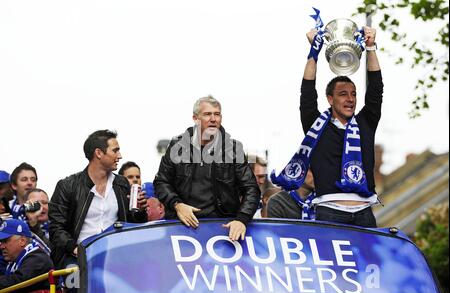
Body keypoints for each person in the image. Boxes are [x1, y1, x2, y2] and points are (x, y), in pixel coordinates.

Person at [271, 26, 382, 228]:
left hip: (364, 214)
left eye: (353, 94)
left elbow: (376, 89)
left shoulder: (366, 123)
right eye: (343, 94)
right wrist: (314, 52)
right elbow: (307, 91)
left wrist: (371, 47)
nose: (350, 99)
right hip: (329, 214)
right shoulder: (317, 125)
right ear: (330, 99)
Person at [153, 95, 260, 241]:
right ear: (195, 118)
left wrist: (242, 219)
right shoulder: (177, 146)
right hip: (182, 227)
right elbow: (161, 182)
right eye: (207, 114)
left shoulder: (233, 149)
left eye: (217, 114)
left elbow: (251, 188)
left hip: (222, 228)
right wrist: (177, 205)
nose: (213, 119)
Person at [48, 130, 148, 269]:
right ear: (99, 153)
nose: (120, 156)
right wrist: (76, 250)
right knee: (75, 283)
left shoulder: (122, 184)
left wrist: (141, 211)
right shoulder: (68, 186)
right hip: (77, 259)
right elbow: (56, 228)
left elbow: (133, 225)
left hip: (116, 257)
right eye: (115, 151)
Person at [0, 219, 54, 293]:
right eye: (1, 242)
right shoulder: (13, 260)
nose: (1, 246)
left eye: (5, 241)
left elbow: (17, 281)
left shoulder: (38, 258)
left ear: (22, 241)